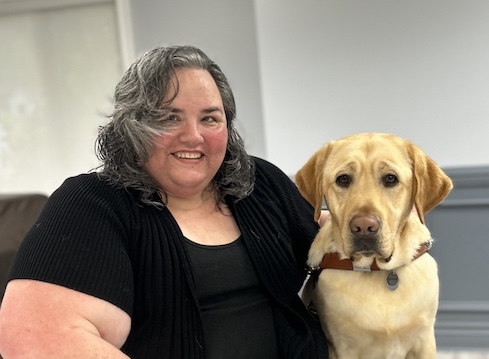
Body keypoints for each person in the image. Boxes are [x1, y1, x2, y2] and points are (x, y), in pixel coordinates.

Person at [0, 45, 328, 358]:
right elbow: (31, 341)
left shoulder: (260, 182)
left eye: (210, 118)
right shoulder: (90, 204)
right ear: (132, 127)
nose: (193, 136)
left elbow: (330, 248)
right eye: (170, 117)